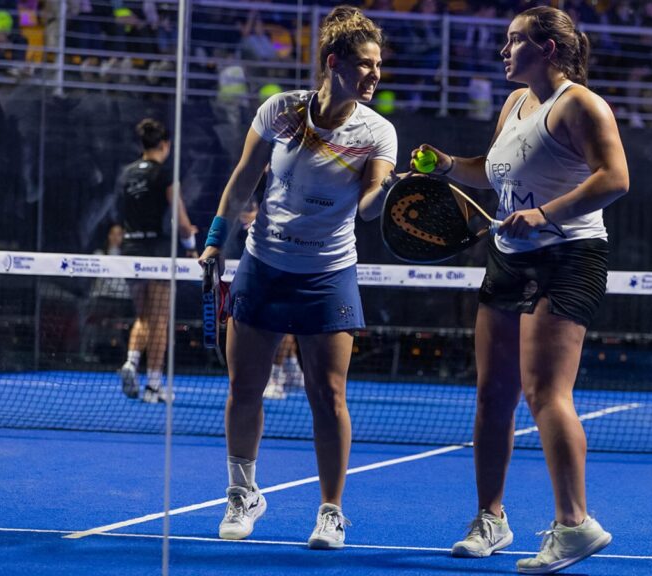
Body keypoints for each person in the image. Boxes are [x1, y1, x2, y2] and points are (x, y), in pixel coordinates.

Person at [412, 7, 629, 574]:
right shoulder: (514, 103)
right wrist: (447, 166)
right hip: (508, 260)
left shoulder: (580, 105)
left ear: (548, 48)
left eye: (514, 41)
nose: (503, 50)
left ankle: (575, 525)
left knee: (546, 393)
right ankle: (491, 518)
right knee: (493, 395)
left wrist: (546, 215)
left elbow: (615, 178)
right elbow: (491, 171)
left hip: (568, 257)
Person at [197, 6, 396, 550]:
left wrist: (386, 191)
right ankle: (242, 494)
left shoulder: (378, 132)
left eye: (379, 65)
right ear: (334, 63)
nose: (375, 74)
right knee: (244, 388)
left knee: (328, 395)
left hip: (328, 273)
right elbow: (243, 179)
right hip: (262, 265)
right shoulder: (280, 111)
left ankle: (331, 512)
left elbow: (369, 207)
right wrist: (215, 239)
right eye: (365, 64)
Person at [117, 118, 198, 403]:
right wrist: (191, 246)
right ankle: (153, 386)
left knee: (143, 317)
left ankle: (131, 362)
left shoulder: (126, 174)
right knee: (160, 319)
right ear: (165, 145)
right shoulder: (164, 175)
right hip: (157, 254)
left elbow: (120, 216)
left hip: (130, 251)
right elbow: (182, 221)